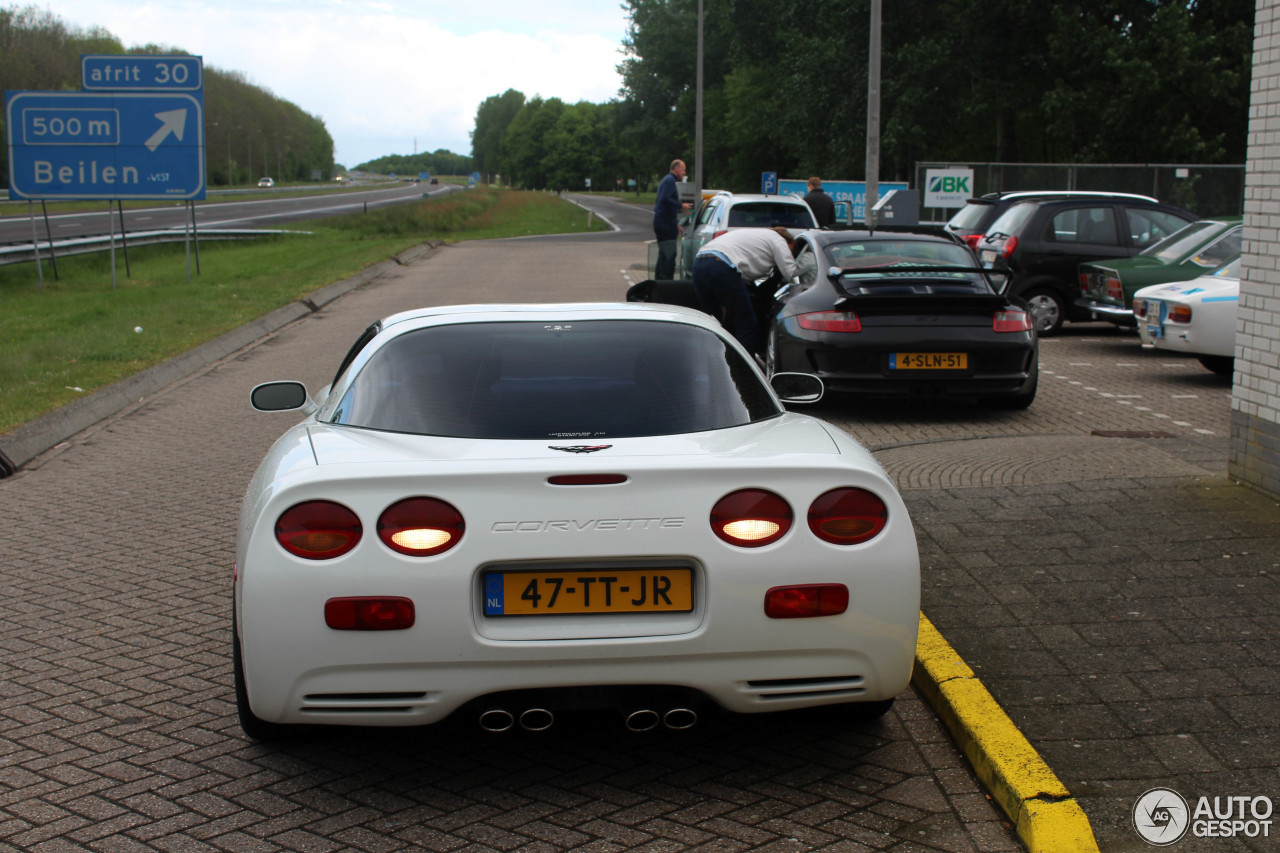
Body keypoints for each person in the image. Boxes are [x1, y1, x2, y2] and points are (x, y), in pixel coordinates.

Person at [692, 227, 798, 356]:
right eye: (790, 250)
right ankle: (743, 369)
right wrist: (805, 269)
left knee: (712, 321)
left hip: (700, 262)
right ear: (787, 242)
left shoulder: (756, 235)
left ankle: (708, 359)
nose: (789, 253)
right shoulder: (778, 239)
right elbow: (790, 273)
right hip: (722, 266)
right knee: (746, 322)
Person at [652, 159, 687, 279]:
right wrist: (680, 205)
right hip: (665, 223)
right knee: (670, 254)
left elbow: (663, 203)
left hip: (664, 221)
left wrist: (675, 223)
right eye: (683, 169)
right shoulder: (670, 181)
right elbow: (664, 199)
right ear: (676, 168)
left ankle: (659, 279)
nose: (684, 173)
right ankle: (667, 280)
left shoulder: (666, 180)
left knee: (663, 253)